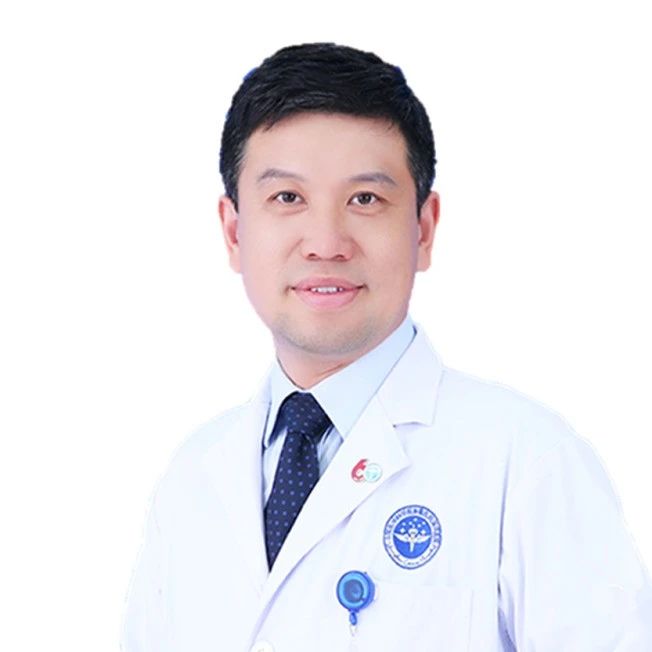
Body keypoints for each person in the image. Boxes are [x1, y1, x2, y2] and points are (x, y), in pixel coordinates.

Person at [121, 42, 652, 651]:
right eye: (287, 198)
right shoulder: (191, 478)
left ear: (423, 229)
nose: (326, 242)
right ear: (234, 230)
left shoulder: (527, 462)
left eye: (365, 200)